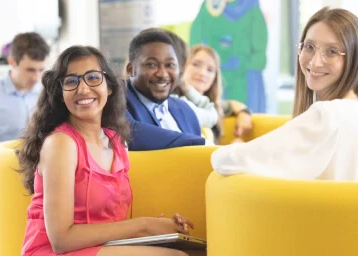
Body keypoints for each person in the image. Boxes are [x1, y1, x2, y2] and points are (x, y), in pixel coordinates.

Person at [18, 45, 195, 256]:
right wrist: (143, 225)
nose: (83, 89)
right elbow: (61, 239)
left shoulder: (117, 142)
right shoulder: (61, 143)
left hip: (96, 248)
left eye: (93, 78)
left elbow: (106, 226)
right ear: (60, 93)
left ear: (109, 87)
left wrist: (160, 229)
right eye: (71, 81)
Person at [211, 7, 358, 180]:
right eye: (309, 47)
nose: (315, 62)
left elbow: (224, 160)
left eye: (332, 51)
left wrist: (234, 147)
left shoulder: (326, 115)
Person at [125, 29, 202, 136]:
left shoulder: (185, 110)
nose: (162, 74)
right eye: (152, 64)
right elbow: (139, 139)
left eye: (170, 65)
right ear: (131, 69)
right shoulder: (119, 105)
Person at [182, 45, 253, 143]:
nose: (202, 73)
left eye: (210, 70)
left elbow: (233, 105)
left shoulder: (213, 106)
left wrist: (244, 113)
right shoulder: (175, 104)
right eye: (196, 64)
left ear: (215, 78)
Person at [0, 32, 50, 143]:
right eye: (30, 70)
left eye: (41, 70)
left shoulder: (45, 93)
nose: (36, 78)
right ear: (12, 62)